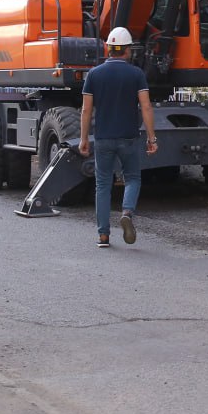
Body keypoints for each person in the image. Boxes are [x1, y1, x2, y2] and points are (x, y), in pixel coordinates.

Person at [78, 27, 158, 248]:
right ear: (127, 50)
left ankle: (103, 236)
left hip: (103, 138)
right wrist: (152, 138)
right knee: (132, 178)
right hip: (129, 138)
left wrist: (84, 138)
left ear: (109, 49)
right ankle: (127, 212)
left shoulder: (94, 74)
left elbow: (86, 110)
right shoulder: (136, 74)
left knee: (102, 185)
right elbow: (146, 106)